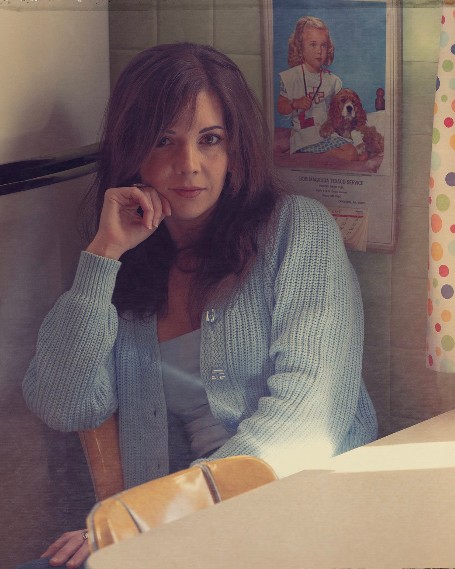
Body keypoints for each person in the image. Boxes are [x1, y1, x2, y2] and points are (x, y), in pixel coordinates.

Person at [20, 42, 377, 569]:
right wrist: (103, 255)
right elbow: (62, 404)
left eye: (210, 139)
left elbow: (308, 421)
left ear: (235, 149)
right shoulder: (124, 261)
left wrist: (149, 516)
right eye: (163, 141)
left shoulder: (298, 231)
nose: (188, 165)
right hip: (174, 536)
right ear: (132, 150)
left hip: (295, 516)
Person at [277, 16, 360, 159]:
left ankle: (310, 154)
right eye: (313, 45)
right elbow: (281, 107)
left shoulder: (333, 80)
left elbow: (338, 110)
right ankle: (306, 154)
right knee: (350, 154)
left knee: (354, 152)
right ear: (300, 48)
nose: (319, 51)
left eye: (324, 45)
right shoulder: (291, 77)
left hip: (327, 134)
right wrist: (294, 103)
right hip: (304, 136)